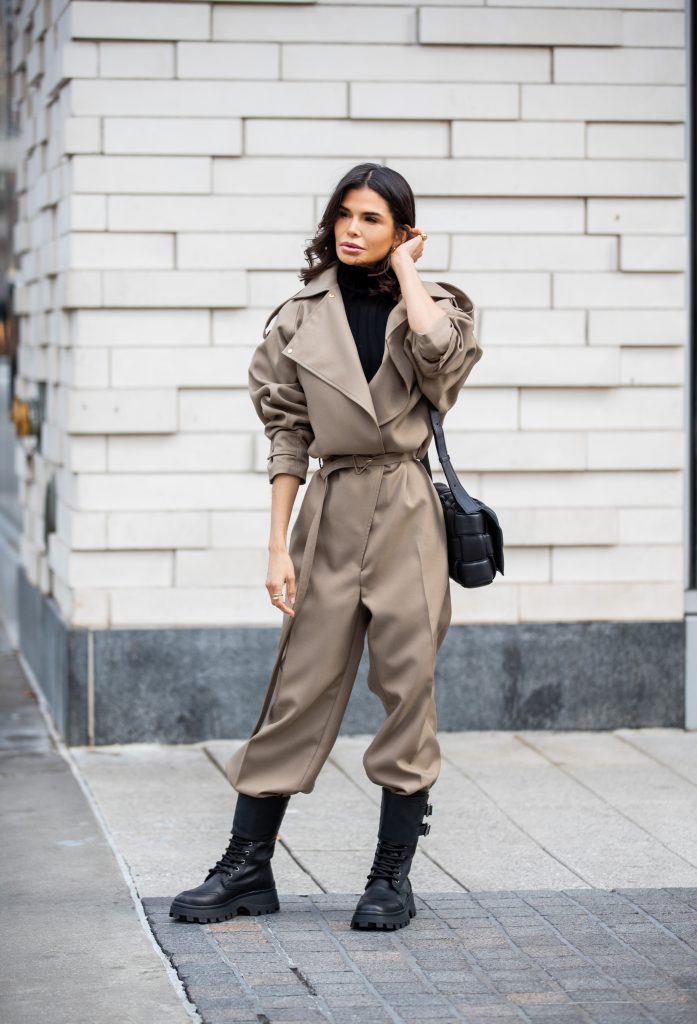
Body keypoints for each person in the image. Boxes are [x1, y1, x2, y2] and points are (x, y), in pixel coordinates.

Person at [170, 163, 483, 931]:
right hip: (331, 507)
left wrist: (407, 268)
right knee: (297, 687)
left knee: (408, 690)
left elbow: (442, 363)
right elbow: (287, 435)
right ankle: (246, 869)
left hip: (407, 508)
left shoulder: (436, 305)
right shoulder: (297, 316)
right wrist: (276, 547)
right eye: (344, 214)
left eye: (373, 218)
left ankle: (390, 879)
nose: (351, 229)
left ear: (402, 230)